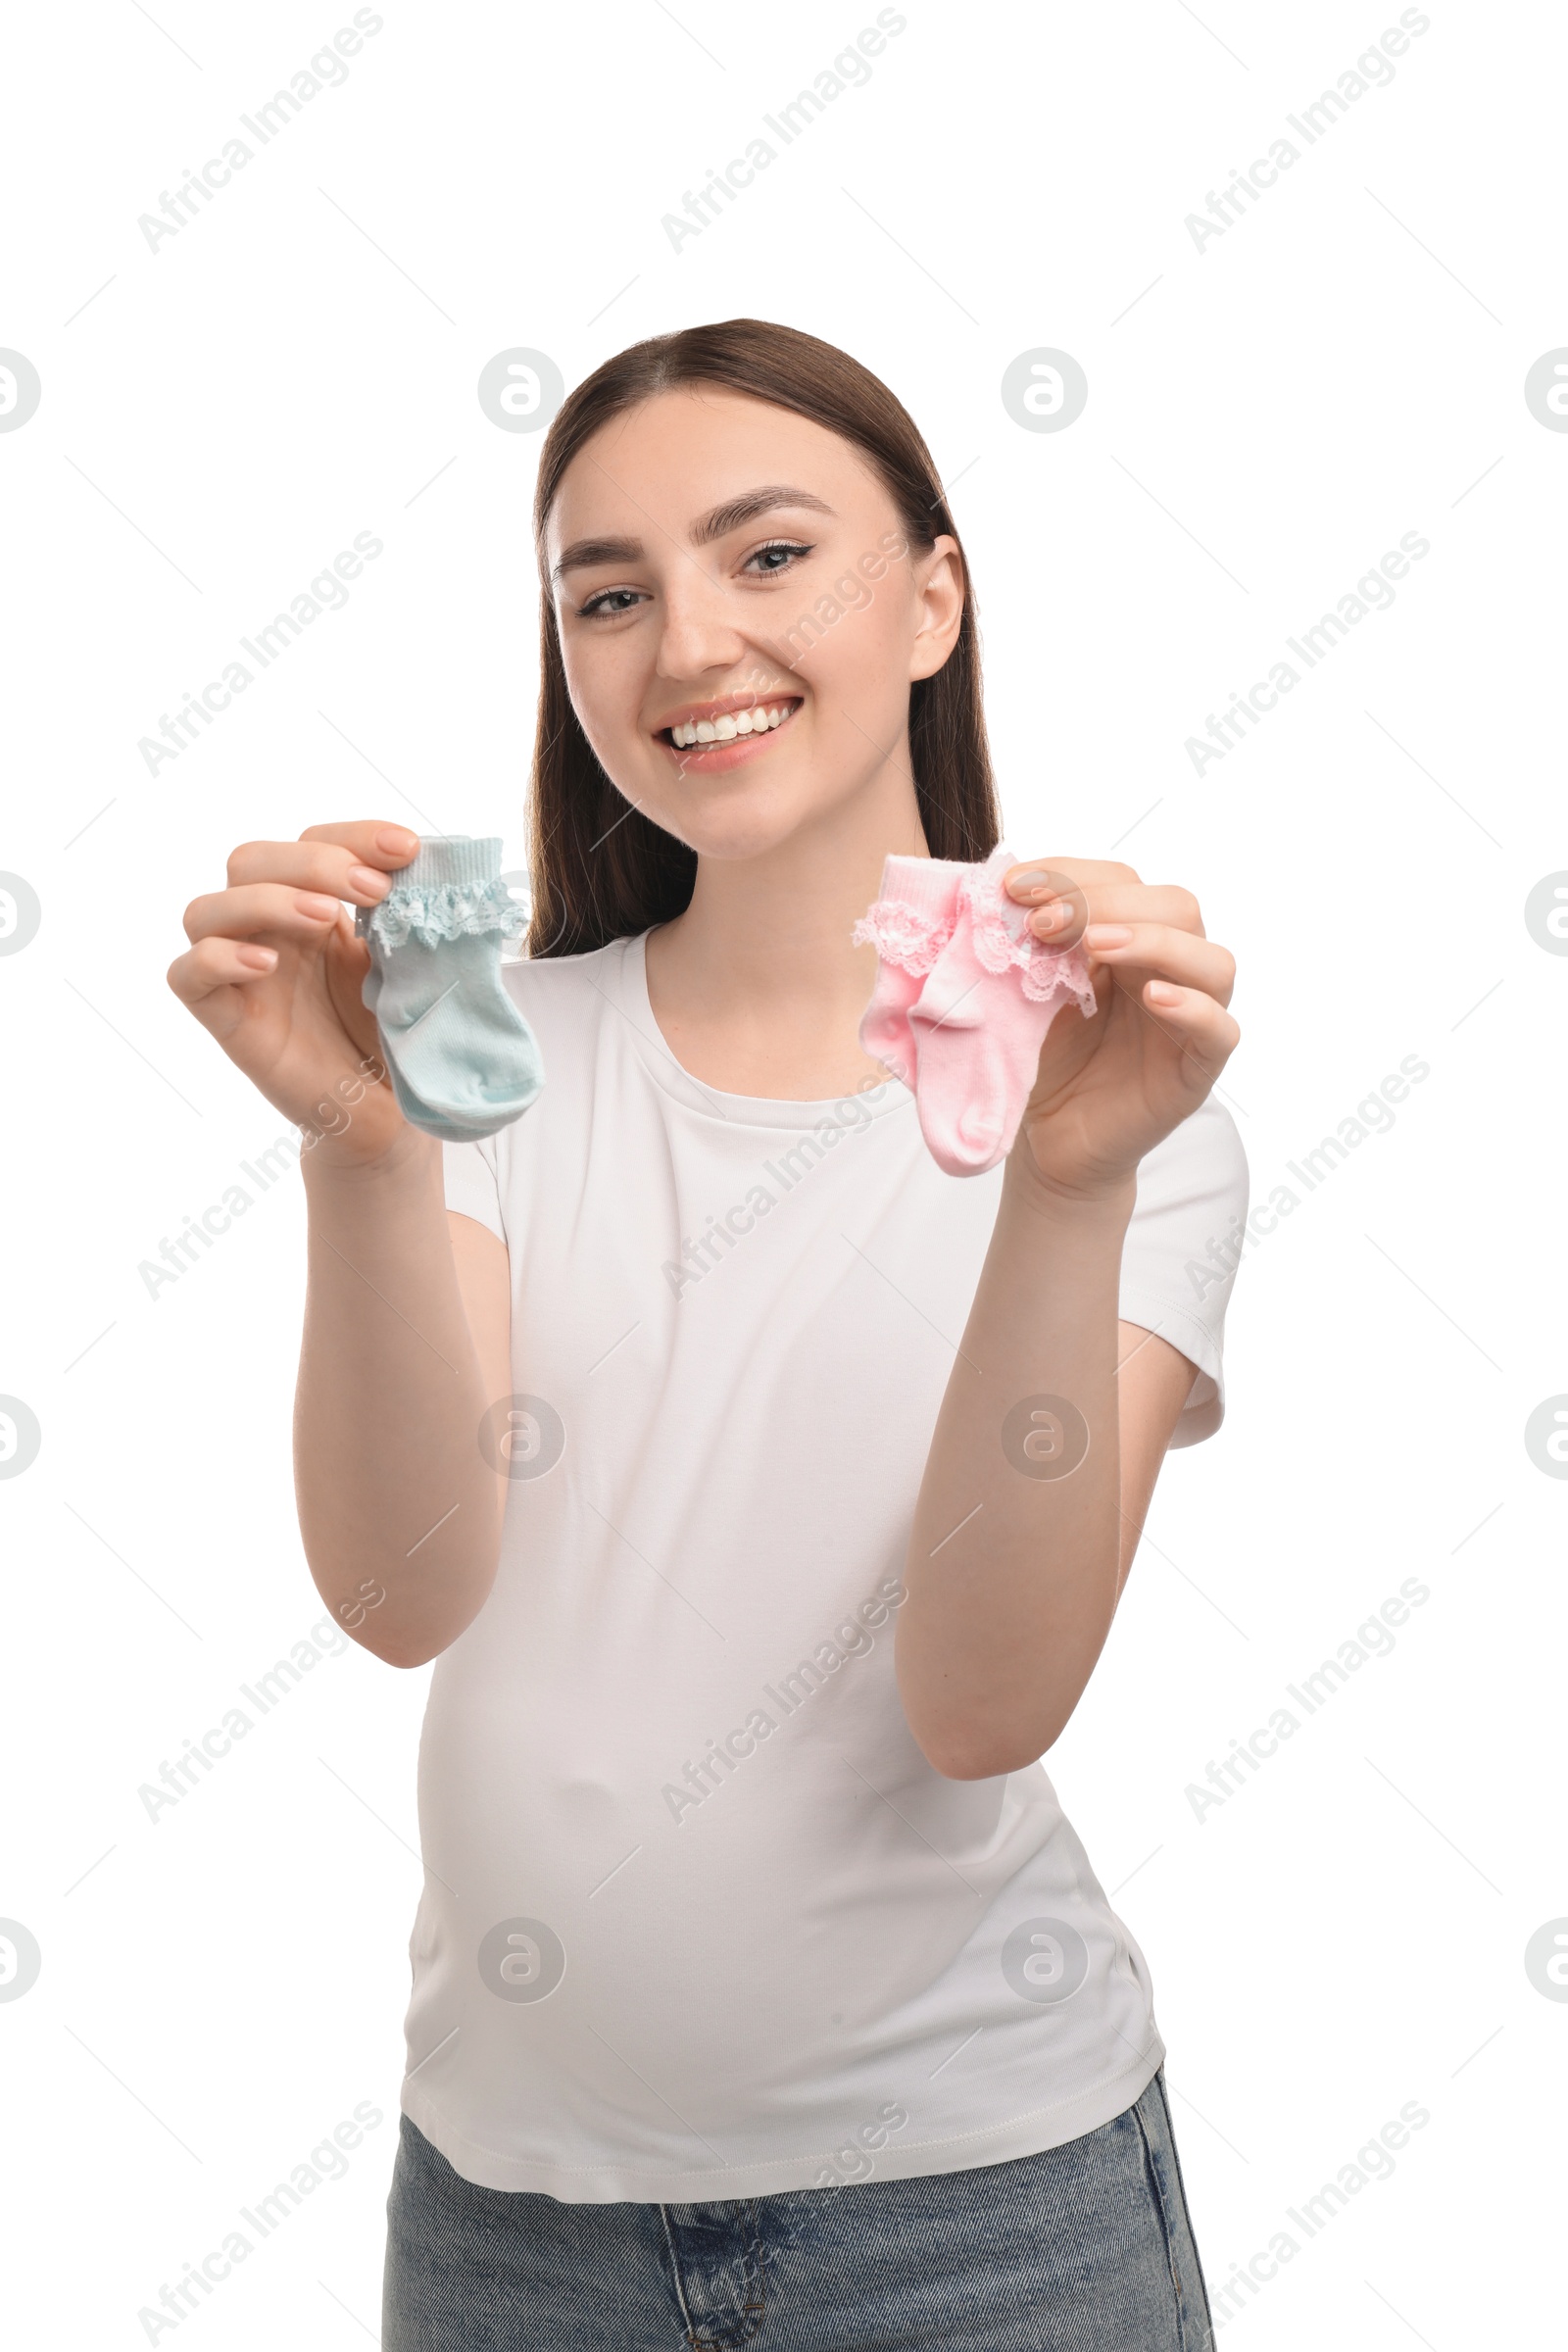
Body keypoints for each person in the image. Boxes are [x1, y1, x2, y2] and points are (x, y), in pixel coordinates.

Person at [169, 318, 1243, 2351]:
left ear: (932, 598)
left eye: (767, 558)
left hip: (977, 2226)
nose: (685, 649)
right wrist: (365, 1159)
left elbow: (980, 1706)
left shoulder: (1114, 1111)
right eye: (607, 592)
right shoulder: (482, 1066)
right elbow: (402, 1594)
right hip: (512, 2225)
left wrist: (1065, 1185)